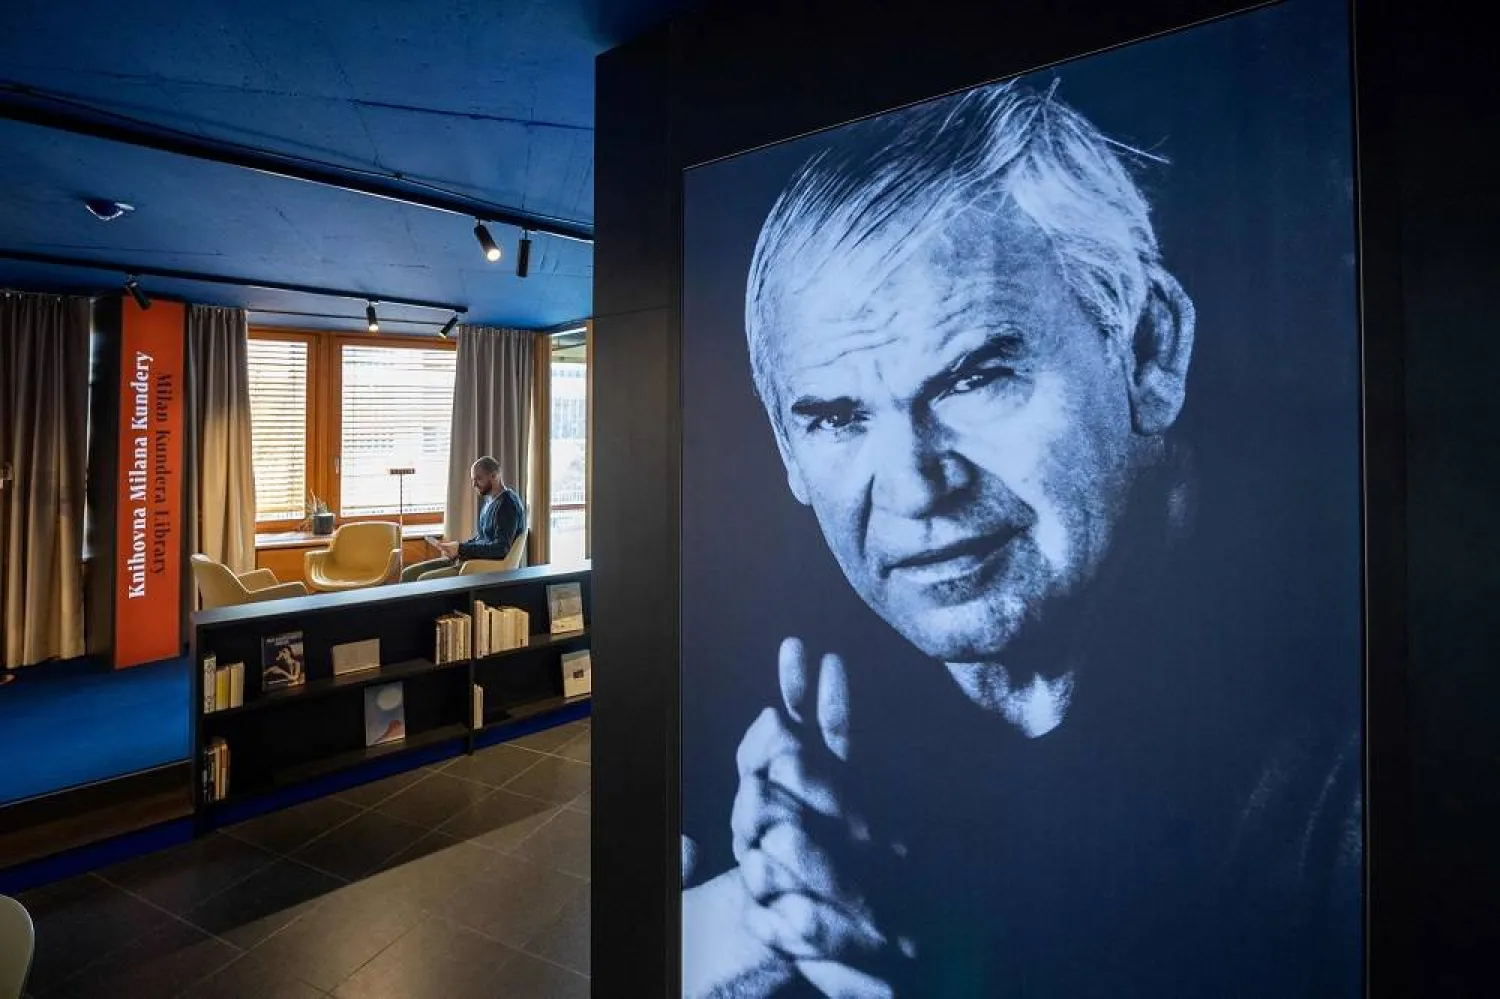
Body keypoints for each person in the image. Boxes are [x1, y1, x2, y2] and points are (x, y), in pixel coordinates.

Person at [681, 79, 1361, 997]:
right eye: (840, 420)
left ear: (1150, 348)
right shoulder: (753, 703)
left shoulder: (1362, 730)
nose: (915, 487)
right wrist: (753, 920)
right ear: (787, 453)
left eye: (971, 379)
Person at [400, 456, 526, 582]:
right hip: (469, 560)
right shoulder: (490, 500)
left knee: (424, 580)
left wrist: (461, 549)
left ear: (494, 476)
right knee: (409, 574)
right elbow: (482, 538)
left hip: (480, 567)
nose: (474, 484)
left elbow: (500, 549)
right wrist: (458, 550)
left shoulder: (507, 505)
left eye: (479, 479)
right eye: (473, 479)